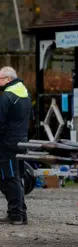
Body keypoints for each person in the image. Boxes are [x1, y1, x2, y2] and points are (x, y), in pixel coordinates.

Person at [0, 66, 31, 225]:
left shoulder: (7, 96)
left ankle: (16, 214)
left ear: (8, 79)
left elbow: (1, 122)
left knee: (8, 178)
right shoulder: (25, 93)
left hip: (8, 144)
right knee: (17, 178)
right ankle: (21, 213)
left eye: (0, 78)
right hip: (21, 141)